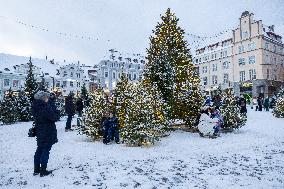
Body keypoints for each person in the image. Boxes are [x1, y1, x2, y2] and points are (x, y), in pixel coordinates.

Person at [32, 91, 60, 177]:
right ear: (43, 98)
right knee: (46, 150)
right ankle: (43, 171)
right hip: (47, 130)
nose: (47, 98)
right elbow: (54, 117)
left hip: (40, 130)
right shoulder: (45, 106)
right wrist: (57, 112)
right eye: (46, 97)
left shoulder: (35, 106)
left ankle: (36, 169)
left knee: (39, 149)